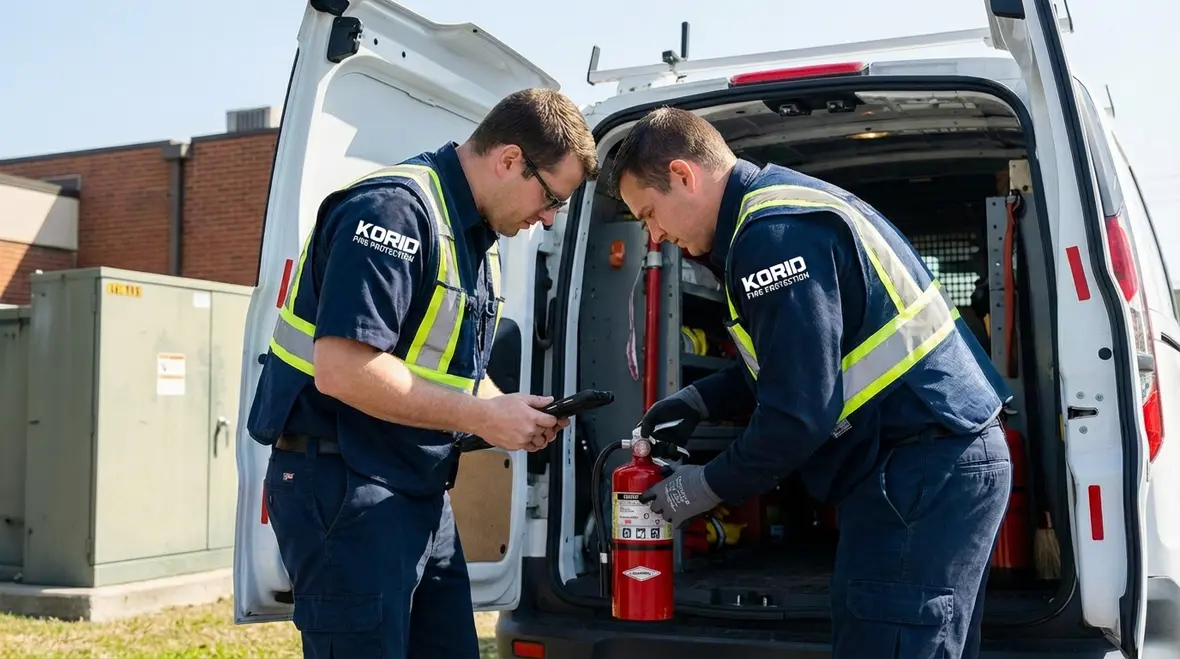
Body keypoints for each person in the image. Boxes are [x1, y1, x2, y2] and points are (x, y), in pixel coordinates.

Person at [609, 107, 1013, 659]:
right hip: (931, 465)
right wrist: (699, 399)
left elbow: (798, 416)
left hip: (922, 468)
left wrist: (698, 489)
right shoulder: (777, 213)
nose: (654, 235)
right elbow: (794, 361)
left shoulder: (773, 237)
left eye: (650, 213)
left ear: (684, 175)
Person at [246, 88, 599, 658]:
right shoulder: (392, 211)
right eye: (551, 197)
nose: (548, 218)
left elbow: (452, 374)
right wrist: (483, 415)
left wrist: (510, 411)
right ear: (510, 160)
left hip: (412, 489)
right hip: (345, 490)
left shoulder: (472, 238)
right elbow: (343, 369)